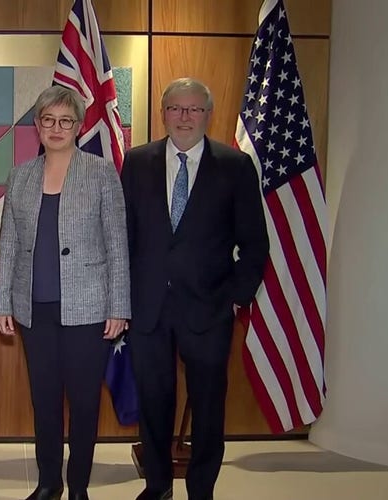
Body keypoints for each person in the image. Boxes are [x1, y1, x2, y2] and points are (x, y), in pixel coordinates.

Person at [121, 78, 269, 500]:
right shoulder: (136, 161)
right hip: (148, 308)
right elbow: (125, 236)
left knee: (207, 408)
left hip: (209, 310)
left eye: (194, 110)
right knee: (154, 404)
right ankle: (158, 485)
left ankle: (201, 488)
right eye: (176, 109)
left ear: (208, 115)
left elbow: (256, 244)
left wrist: (235, 298)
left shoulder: (235, 166)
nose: (184, 118)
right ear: (164, 113)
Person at [0, 86, 131, 500]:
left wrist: (119, 306)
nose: (56, 128)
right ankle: (49, 481)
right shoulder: (21, 174)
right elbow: (10, 244)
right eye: (48, 120)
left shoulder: (100, 172)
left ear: (79, 126)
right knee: (45, 401)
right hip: (35, 310)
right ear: (36, 126)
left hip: (89, 309)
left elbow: (117, 243)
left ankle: (79, 486)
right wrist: (2, 300)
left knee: (85, 403)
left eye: (65, 121)